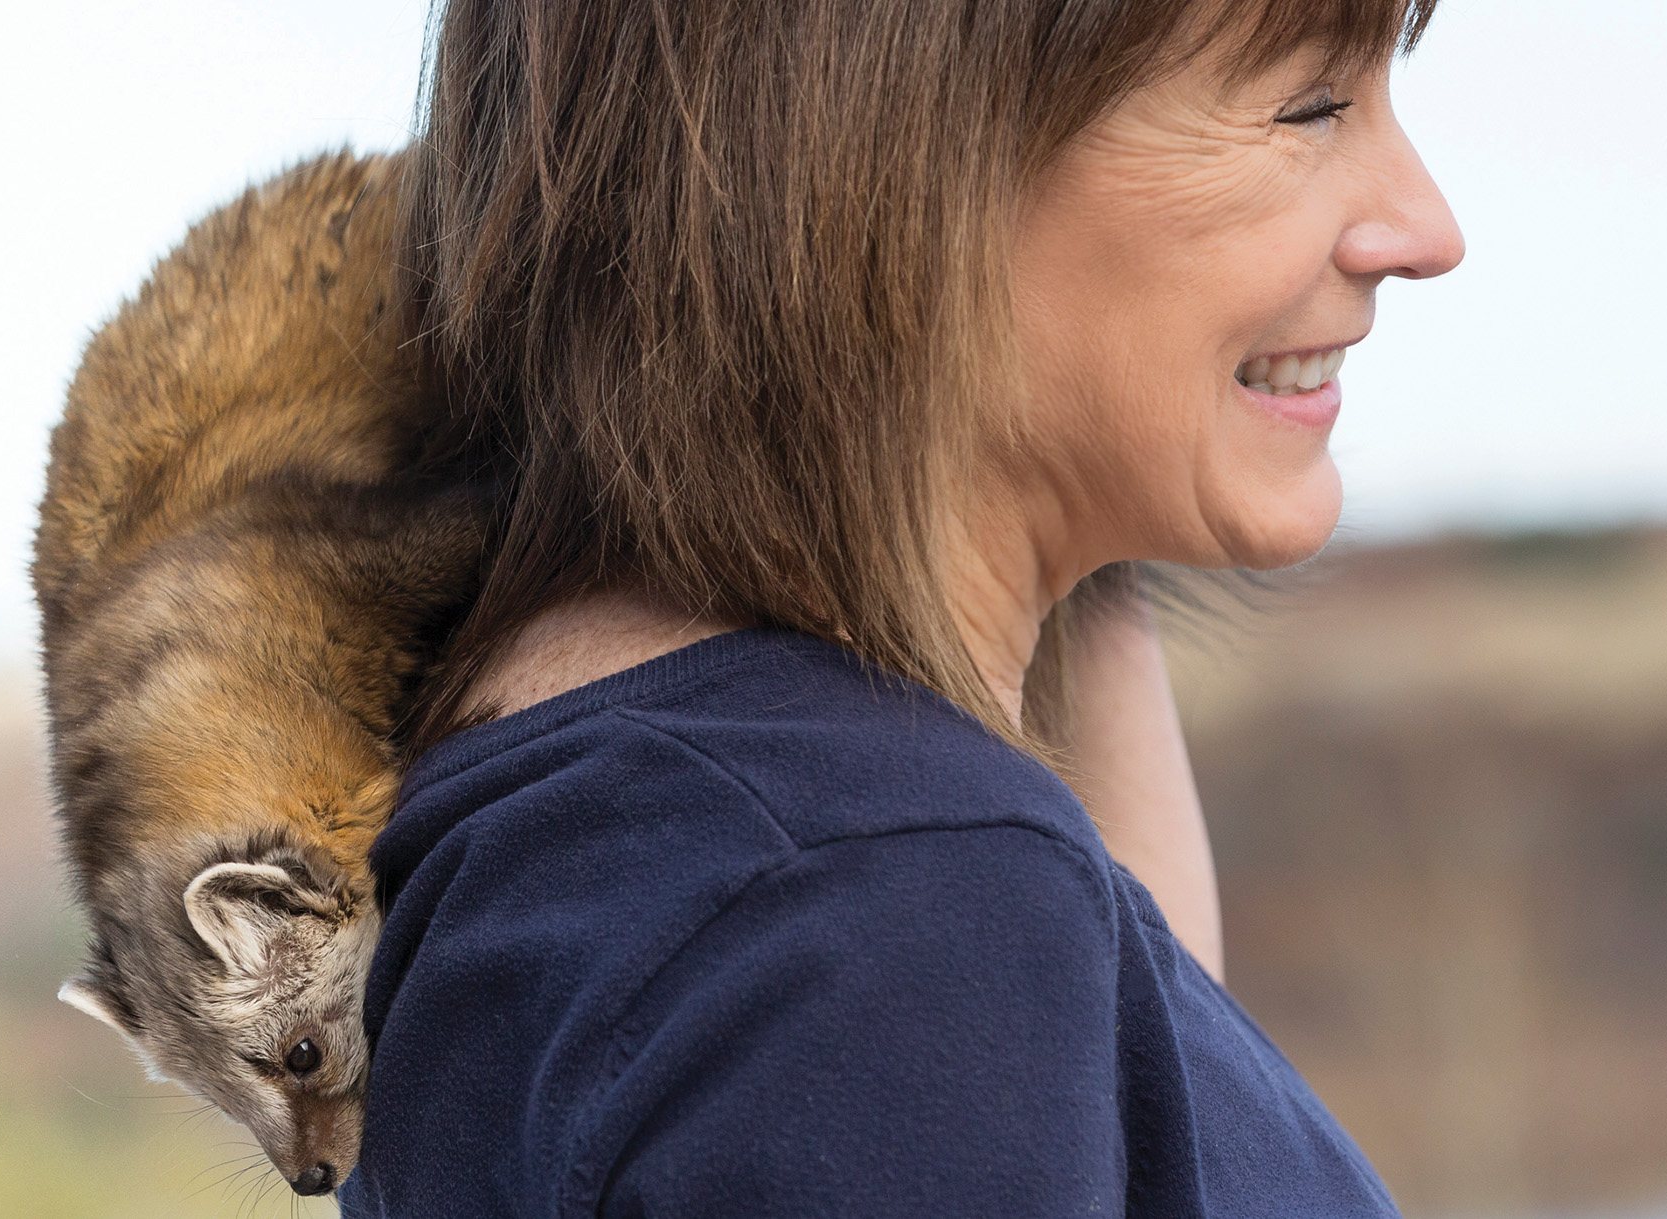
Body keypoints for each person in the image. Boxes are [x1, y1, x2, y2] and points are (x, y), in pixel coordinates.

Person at [341, 0, 1461, 1213]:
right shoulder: (878, 906)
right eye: (1305, 107)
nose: (1423, 227)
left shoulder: (622, 807)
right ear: (885, 157)